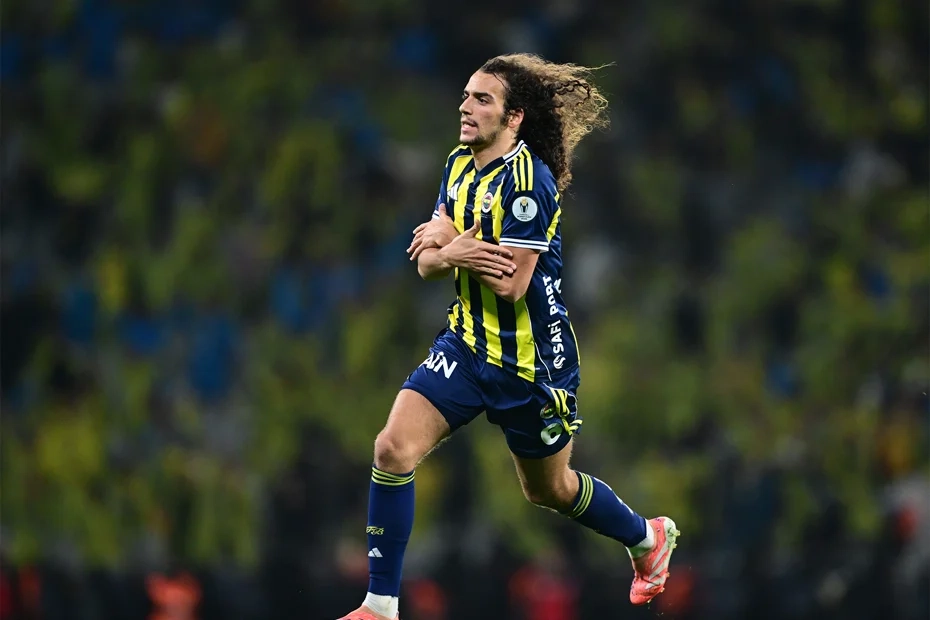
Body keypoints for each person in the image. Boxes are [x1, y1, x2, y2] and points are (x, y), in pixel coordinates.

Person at [339, 54, 679, 620]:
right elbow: (425, 263)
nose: (465, 107)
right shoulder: (457, 165)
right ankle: (380, 606)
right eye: (465, 96)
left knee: (549, 490)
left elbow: (512, 283)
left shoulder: (529, 184)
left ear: (513, 117)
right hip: (466, 346)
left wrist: (453, 244)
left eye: (482, 99)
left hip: (531, 364)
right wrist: (455, 250)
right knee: (391, 449)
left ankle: (647, 537)